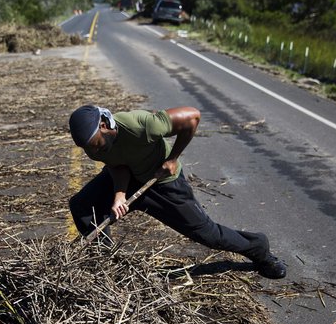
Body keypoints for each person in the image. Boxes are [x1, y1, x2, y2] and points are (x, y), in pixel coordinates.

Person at [68, 105, 286, 279]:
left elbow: (192, 117)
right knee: (83, 206)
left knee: (207, 234)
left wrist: (173, 158)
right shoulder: (93, 147)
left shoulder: (142, 125)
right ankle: (107, 268)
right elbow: (117, 165)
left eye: (96, 145)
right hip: (132, 179)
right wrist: (119, 195)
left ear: (105, 124)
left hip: (162, 183)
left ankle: (259, 249)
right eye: (88, 148)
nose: (93, 152)